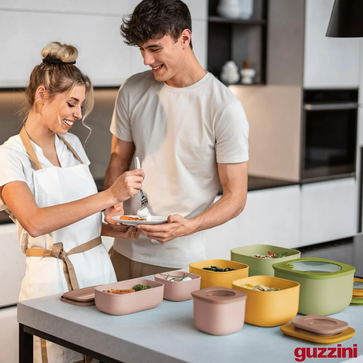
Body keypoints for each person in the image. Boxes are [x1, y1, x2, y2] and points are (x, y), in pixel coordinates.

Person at [0, 42, 144, 363]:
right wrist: (109, 195)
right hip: (51, 283)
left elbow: (78, 218)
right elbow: (35, 221)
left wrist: (114, 229)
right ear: (41, 96)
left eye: (81, 105)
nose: (79, 115)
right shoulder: (10, 156)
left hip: (98, 272)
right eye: (72, 104)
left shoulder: (73, 145)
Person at [105, 0, 249, 281]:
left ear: (184, 38)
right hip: (121, 252)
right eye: (142, 50)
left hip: (179, 262)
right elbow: (117, 160)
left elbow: (236, 197)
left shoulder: (224, 107)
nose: (147, 60)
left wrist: (188, 226)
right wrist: (113, 204)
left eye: (155, 48)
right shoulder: (132, 89)